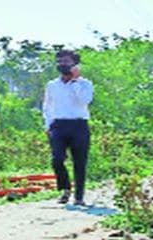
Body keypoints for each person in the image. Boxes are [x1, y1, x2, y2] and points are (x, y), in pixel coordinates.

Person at [43, 49, 94, 206]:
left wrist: (75, 81)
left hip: (79, 125)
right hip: (58, 125)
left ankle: (79, 197)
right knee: (57, 160)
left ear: (74, 63)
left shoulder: (85, 84)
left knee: (79, 162)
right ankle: (65, 188)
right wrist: (48, 125)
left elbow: (84, 101)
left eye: (66, 61)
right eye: (60, 61)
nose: (62, 64)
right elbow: (47, 105)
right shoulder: (52, 85)